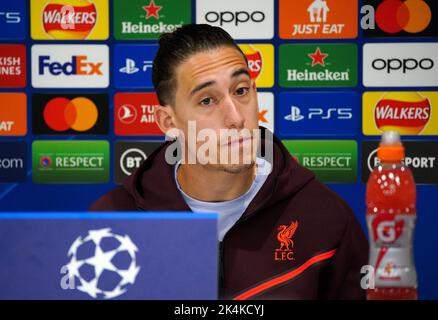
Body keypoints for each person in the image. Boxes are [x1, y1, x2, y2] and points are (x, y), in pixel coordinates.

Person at [90, 24, 368, 300]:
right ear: (168, 121)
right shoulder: (111, 223)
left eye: (241, 90)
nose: (235, 117)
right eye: (208, 100)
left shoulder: (324, 217)